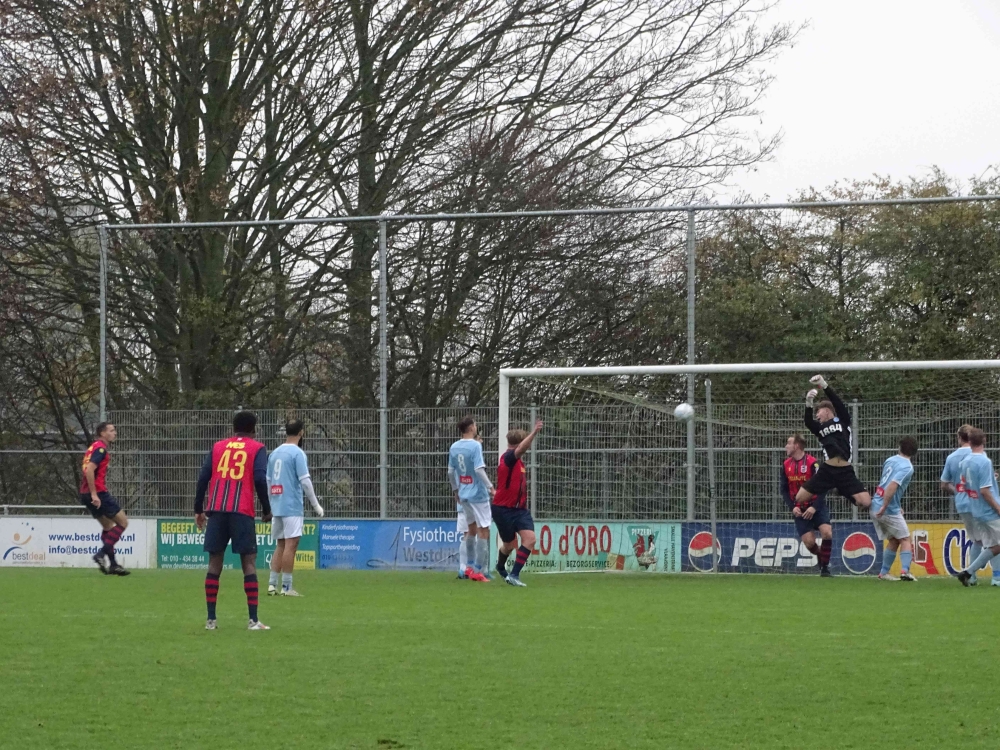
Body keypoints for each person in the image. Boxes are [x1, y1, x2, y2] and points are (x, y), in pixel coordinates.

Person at [195, 410, 272, 630]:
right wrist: (267, 509)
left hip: (217, 509)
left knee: (214, 562)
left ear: (233, 427)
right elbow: (258, 477)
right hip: (242, 510)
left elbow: (203, 477)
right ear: (254, 429)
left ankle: (211, 620)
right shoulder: (257, 448)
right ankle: (253, 620)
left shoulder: (218, 446)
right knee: (248, 562)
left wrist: (198, 508)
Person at [266, 420, 324, 597]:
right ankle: (286, 587)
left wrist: (270, 503)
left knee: (280, 545)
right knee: (291, 545)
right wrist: (316, 505)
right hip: (291, 505)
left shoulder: (275, 453)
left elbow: (268, 480)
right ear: (301, 433)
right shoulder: (297, 453)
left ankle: (271, 585)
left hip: (277, 504)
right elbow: (305, 481)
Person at [797, 374, 872, 510]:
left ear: (826, 411)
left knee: (865, 502)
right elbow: (808, 422)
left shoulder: (843, 420)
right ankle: (830, 487)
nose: (817, 416)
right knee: (799, 498)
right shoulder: (820, 428)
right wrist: (809, 402)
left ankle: (842, 490)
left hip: (845, 470)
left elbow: (837, 402)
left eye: (818, 412)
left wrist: (823, 385)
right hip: (827, 470)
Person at [493, 420, 543, 587]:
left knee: (530, 539)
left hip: (520, 510)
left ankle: (514, 575)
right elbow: (521, 448)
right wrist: (534, 433)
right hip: (503, 510)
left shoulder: (518, 462)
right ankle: (500, 566)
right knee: (508, 546)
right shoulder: (509, 457)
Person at [78, 422, 131, 576]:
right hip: (98, 492)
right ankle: (100, 554)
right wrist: (95, 494)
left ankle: (113, 565)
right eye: (112, 430)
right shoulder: (100, 448)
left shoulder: (93, 447)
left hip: (85, 493)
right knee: (123, 522)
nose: (115, 433)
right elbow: (89, 471)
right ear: (102, 433)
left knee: (108, 527)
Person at [448, 416, 494, 582]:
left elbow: (451, 472)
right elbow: (479, 470)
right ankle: (479, 571)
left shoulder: (454, 446)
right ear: (471, 428)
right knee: (484, 530)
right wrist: (490, 487)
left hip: (463, 494)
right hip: (478, 494)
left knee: (471, 530)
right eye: (475, 424)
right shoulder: (475, 445)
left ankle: (468, 567)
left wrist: (456, 490)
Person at [780, 433, 832, 577]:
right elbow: (783, 490)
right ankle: (822, 557)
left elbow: (823, 487)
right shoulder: (785, 465)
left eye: (788, 443)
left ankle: (825, 568)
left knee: (827, 532)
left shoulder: (812, 463)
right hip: (799, 509)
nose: (786, 446)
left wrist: (814, 507)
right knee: (809, 543)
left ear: (796, 446)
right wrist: (793, 507)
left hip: (815, 505)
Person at [957, 428, 1000, 586]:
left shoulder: (965, 461)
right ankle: (970, 572)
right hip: (989, 510)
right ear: (984, 440)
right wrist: (997, 508)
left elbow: (966, 485)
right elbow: (984, 490)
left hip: (976, 509)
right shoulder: (984, 461)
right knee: (994, 546)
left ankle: (967, 573)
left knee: (992, 546)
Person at [872, 437, 919, 582]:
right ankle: (905, 571)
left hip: (876, 503)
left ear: (899, 447)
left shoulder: (890, 460)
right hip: (886, 509)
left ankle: (883, 573)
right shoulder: (907, 467)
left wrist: (895, 505)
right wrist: (885, 506)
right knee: (905, 539)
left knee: (894, 539)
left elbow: (885, 483)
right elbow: (892, 486)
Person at [941, 425, 982, 584]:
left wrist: (958, 492)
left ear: (959, 437)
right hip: (979, 502)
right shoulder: (978, 454)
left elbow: (944, 484)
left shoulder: (951, 457)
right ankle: (994, 576)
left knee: (977, 540)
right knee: (992, 540)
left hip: (962, 504)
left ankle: (972, 576)